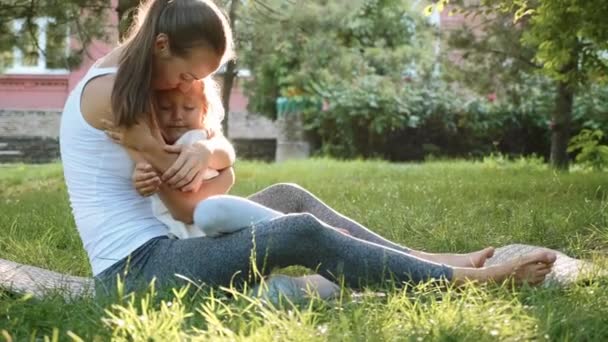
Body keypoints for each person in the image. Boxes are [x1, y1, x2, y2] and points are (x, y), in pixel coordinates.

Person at [59, 0, 556, 298]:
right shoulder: (112, 94)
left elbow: (216, 180)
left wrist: (212, 154)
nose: (186, 88)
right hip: (139, 271)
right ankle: (460, 281)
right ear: (162, 45)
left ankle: (428, 258)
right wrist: (204, 161)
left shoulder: (137, 83)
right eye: (188, 75)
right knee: (299, 232)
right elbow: (190, 205)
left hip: (174, 245)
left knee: (290, 195)